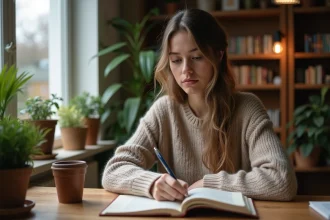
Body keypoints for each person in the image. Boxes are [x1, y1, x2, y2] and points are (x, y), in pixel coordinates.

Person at [102, 8, 297, 202]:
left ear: (218, 55)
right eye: (176, 60)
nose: (186, 70)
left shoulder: (247, 108)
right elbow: (114, 170)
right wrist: (152, 184)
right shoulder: (164, 110)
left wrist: (208, 184)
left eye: (197, 57)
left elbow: (282, 180)